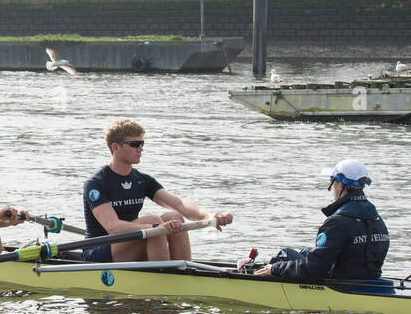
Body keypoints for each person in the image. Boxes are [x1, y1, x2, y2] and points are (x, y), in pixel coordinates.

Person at [82, 118, 232, 263]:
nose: (141, 149)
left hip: (129, 243)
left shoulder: (142, 180)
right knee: (154, 220)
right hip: (98, 251)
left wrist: (208, 216)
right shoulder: (96, 183)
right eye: (134, 144)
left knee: (175, 216)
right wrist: (155, 227)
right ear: (115, 147)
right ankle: (163, 279)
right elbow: (113, 227)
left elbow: (179, 204)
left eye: (142, 143)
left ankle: (183, 275)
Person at [255, 160, 389, 281]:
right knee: (307, 251)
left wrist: (274, 269)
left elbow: (314, 269)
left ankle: (264, 269)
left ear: (340, 184)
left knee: (285, 254)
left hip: (340, 285)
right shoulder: (377, 219)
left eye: (332, 180)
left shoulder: (337, 222)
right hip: (367, 280)